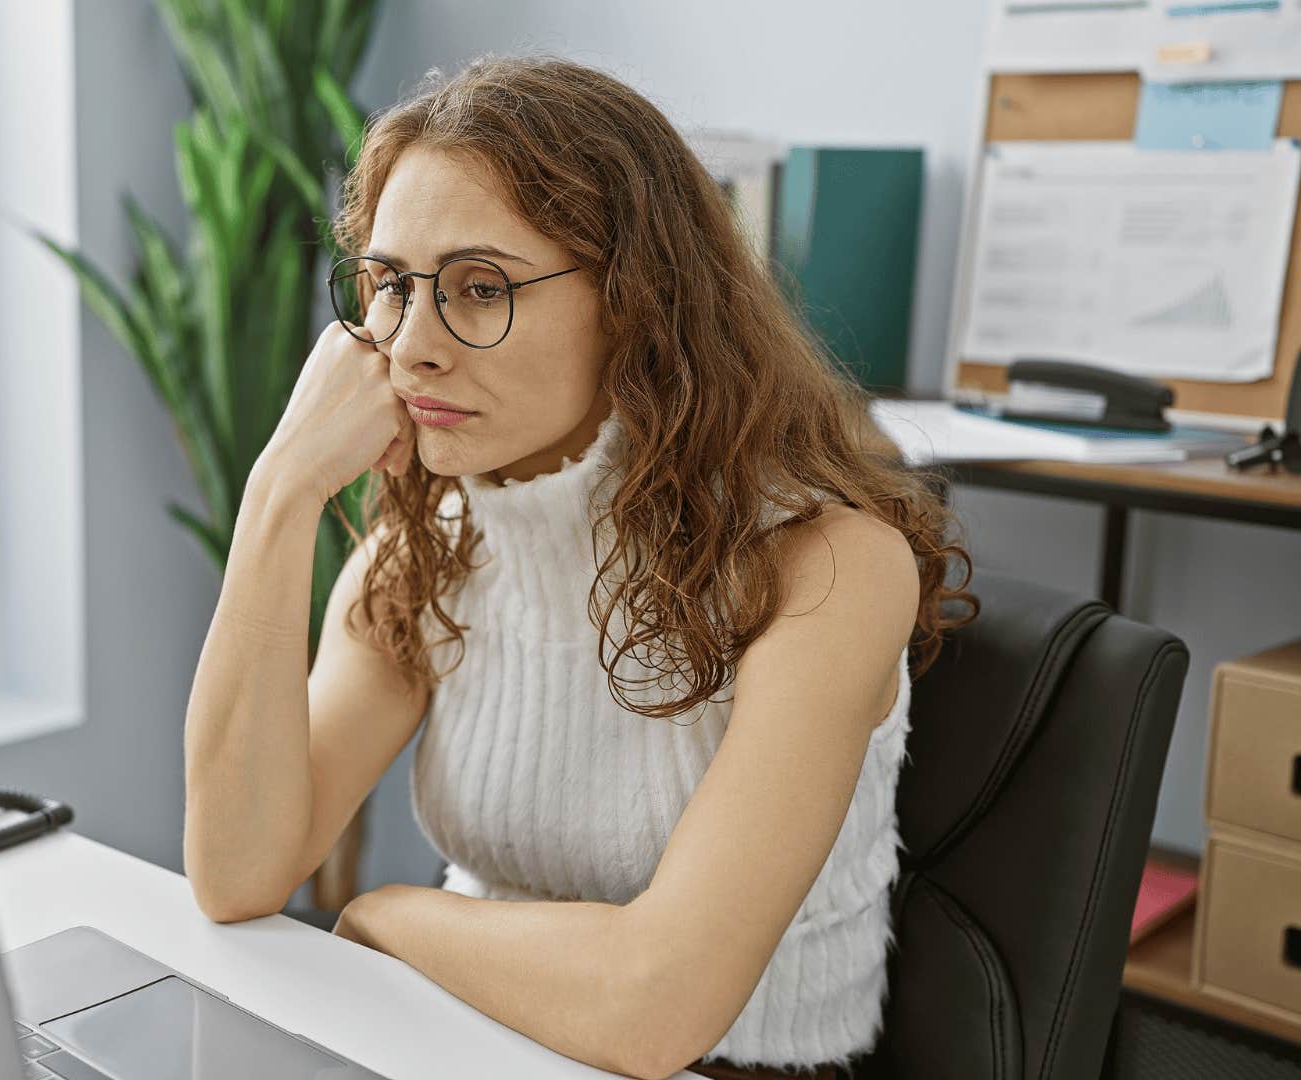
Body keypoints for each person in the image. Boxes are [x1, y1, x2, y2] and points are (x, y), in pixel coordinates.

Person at [181, 54, 976, 1080]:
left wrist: (385, 914)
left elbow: (657, 1007)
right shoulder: (422, 550)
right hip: (460, 1042)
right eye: (388, 286)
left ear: (637, 303)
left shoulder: (825, 566)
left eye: (479, 288)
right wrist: (279, 493)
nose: (411, 345)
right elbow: (237, 873)